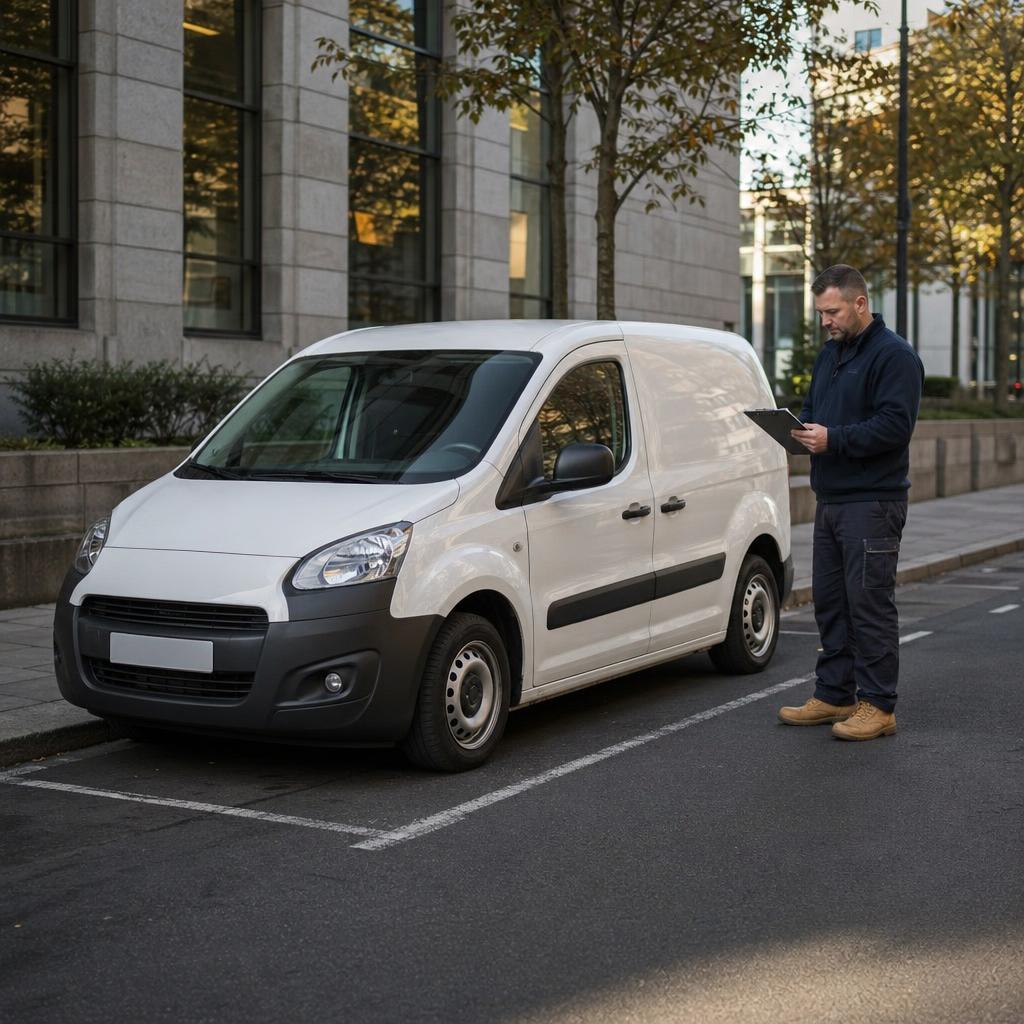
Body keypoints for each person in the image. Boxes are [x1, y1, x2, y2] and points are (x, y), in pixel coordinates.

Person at [778, 264, 924, 740]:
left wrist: (833, 440)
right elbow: (812, 412)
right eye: (821, 312)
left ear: (860, 304)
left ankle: (879, 706)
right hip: (833, 499)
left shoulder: (894, 356)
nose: (826, 320)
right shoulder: (831, 354)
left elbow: (894, 427)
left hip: (873, 502)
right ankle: (835, 694)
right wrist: (795, 432)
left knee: (869, 605)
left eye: (833, 311)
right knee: (832, 603)